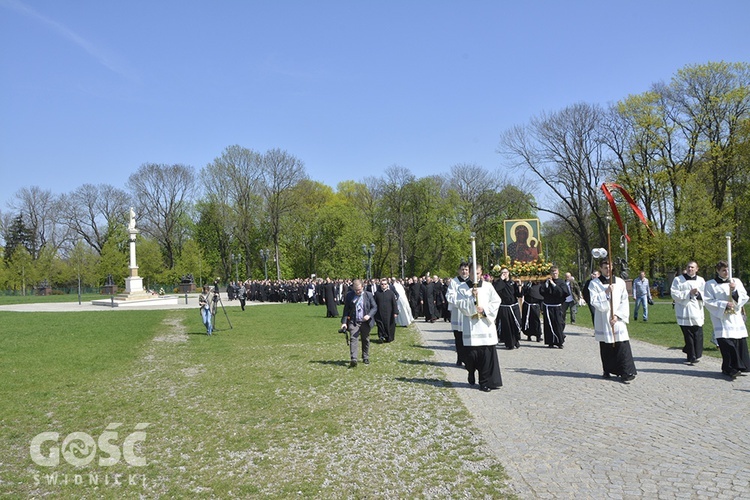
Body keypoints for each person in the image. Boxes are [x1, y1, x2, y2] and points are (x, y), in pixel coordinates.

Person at [452, 264, 503, 392]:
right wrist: (471, 299)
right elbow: (459, 304)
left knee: (485, 356)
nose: (476, 276)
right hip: (471, 326)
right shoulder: (462, 288)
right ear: (469, 273)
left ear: (482, 273)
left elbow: (496, 301)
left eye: (478, 273)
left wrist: (485, 310)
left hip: (485, 326)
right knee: (471, 357)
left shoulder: (488, 286)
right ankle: (470, 371)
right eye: (473, 273)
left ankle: (483, 382)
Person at [588, 261, 637, 383]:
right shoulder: (594, 283)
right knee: (606, 345)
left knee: (622, 344)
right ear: (601, 269)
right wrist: (605, 293)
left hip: (617, 318)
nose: (607, 270)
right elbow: (593, 301)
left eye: (609, 267)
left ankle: (626, 372)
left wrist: (617, 315)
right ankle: (608, 369)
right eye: (605, 268)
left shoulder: (620, 282)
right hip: (603, 317)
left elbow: (624, 300)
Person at [703, 261, 749, 379]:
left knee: (738, 341)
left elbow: (744, 296)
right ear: (717, 271)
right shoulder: (710, 284)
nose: (726, 272)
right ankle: (729, 368)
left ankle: (740, 365)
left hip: (735, 317)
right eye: (723, 270)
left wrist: (734, 291)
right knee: (727, 343)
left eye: (728, 270)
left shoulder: (736, 282)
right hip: (721, 318)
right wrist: (724, 304)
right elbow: (708, 301)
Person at [670, 261, 705, 365]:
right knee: (688, 334)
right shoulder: (678, 280)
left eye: (692, 267)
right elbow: (674, 294)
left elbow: (707, 294)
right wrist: (688, 293)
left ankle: (696, 353)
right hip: (684, 310)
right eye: (689, 267)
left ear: (697, 269)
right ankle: (691, 355)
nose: (690, 269)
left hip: (697, 311)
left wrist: (698, 293)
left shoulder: (701, 280)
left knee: (697, 334)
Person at [340, 279, 378, 367]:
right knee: (353, 338)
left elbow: (374, 307)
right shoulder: (349, 295)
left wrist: (369, 315)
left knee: (365, 339)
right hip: (354, 322)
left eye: (359, 290)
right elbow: (346, 310)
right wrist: (344, 322)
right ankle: (354, 358)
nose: (357, 292)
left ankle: (365, 356)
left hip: (365, 322)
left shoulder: (368, 295)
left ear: (363, 287)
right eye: (355, 290)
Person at [446, 262, 471, 365]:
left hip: (468, 312)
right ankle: (460, 357)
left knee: (468, 337)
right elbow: (449, 295)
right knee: (458, 337)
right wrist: (459, 302)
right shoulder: (454, 282)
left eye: (466, 270)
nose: (464, 272)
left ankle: (468, 358)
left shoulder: (472, 281)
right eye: (462, 270)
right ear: (459, 271)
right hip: (458, 312)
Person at [492, 267, 523, 349]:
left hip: (513, 307)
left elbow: (519, 295)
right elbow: (496, 290)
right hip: (504, 307)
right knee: (507, 326)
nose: (504, 274)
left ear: (509, 273)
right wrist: (501, 280)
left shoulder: (513, 282)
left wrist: (519, 285)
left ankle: (516, 340)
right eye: (502, 273)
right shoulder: (498, 283)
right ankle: (509, 343)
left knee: (516, 324)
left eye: (505, 272)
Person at [540, 266, 569, 348]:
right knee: (549, 324)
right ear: (550, 273)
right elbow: (542, 292)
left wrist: (554, 285)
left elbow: (562, 293)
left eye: (556, 272)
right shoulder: (547, 282)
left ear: (558, 273)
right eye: (553, 273)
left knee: (558, 324)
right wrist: (546, 285)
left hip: (557, 306)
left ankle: (559, 342)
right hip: (548, 306)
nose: (554, 274)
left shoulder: (561, 282)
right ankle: (550, 342)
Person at [374, 278, 398, 343]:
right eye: (382, 284)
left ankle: (388, 337)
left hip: (389, 312)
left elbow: (394, 303)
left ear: (387, 285)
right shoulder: (377, 293)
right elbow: (374, 303)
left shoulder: (391, 293)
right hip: (379, 312)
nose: (383, 285)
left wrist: (395, 312)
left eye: (385, 284)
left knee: (389, 325)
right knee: (380, 325)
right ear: (380, 285)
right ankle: (381, 336)